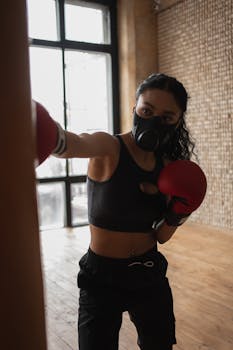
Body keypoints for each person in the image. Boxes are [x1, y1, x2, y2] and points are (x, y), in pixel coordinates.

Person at [35, 73, 207, 350]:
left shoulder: (169, 167)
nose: (153, 121)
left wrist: (179, 212)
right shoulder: (109, 148)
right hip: (101, 277)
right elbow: (75, 143)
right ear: (135, 108)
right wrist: (45, 132)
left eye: (166, 117)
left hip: (148, 272)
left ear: (178, 121)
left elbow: (161, 236)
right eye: (147, 111)